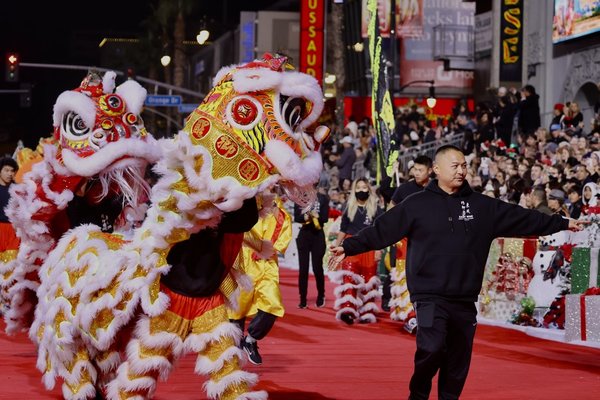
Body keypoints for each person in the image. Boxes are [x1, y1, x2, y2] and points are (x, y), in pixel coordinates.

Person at [329, 145, 586, 400]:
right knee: (431, 348)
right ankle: (418, 393)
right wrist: (348, 247)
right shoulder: (416, 204)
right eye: (455, 166)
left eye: (464, 165)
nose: (461, 170)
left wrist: (562, 223)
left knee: (457, 362)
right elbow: (381, 230)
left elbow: (522, 217)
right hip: (429, 294)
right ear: (436, 170)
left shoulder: (482, 206)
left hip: (464, 297)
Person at [229, 194, 292, 365]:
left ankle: (251, 340)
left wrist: (267, 249)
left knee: (272, 305)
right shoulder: (243, 200)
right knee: (236, 309)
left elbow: (282, 230)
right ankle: (232, 354)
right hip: (242, 259)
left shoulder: (278, 208)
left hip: (266, 263)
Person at [330, 177, 384, 325]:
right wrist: (336, 246)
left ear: (369, 189)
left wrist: (379, 250)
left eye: (364, 187)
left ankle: (367, 312)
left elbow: (380, 231)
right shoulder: (349, 207)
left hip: (369, 246)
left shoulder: (376, 209)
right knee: (349, 278)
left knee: (368, 279)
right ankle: (348, 310)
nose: (361, 190)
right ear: (354, 190)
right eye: (358, 188)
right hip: (351, 245)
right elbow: (343, 229)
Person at [294, 184, 330, 309]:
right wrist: (305, 217)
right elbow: (296, 217)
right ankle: (302, 298)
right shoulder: (300, 198)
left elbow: (325, 218)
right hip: (304, 235)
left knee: (317, 267)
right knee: (303, 269)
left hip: (318, 235)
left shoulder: (323, 198)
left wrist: (316, 216)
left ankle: (321, 295)